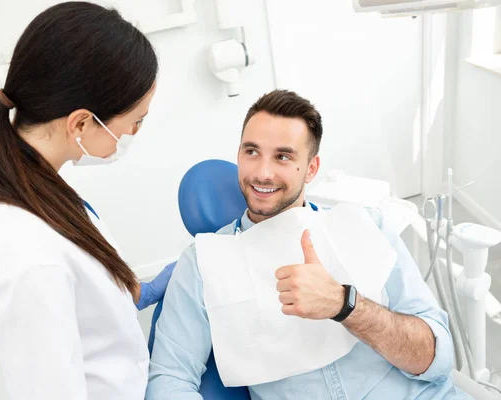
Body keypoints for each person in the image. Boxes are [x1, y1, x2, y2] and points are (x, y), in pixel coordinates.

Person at [146, 90, 471, 399]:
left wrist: (345, 305)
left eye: (283, 156)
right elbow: (168, 381)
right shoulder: (204, 263)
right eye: (252, 151)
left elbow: (436, 357)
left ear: (311, 168)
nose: (263, 172)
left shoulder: (365, 225)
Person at [0, 2, 174, 399]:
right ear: (80, 122)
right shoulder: (24, 254)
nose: (134, 132)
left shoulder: (35, 186)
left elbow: (79, 300)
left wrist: (134, 293)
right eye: (135, 120)